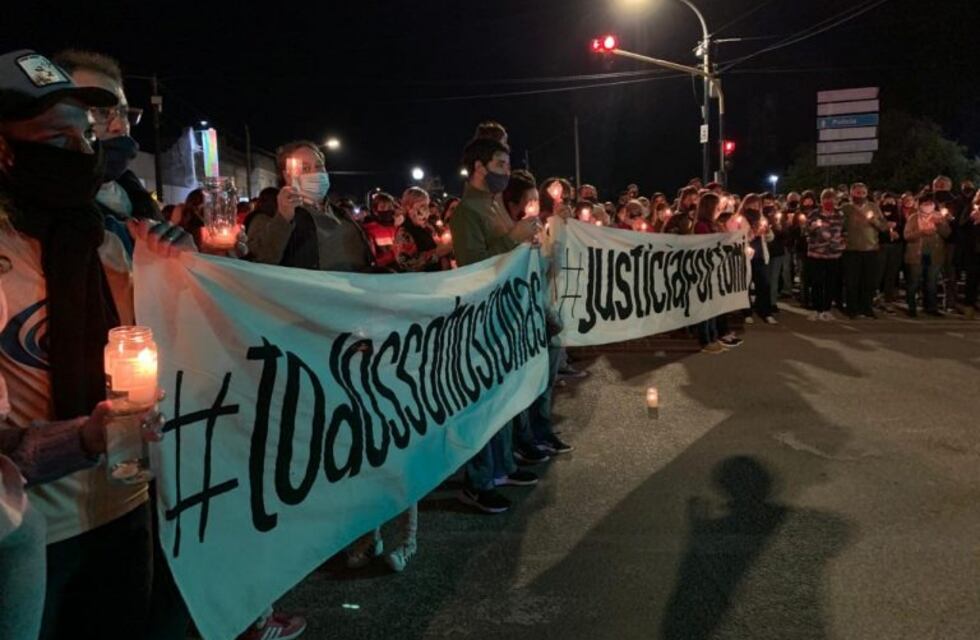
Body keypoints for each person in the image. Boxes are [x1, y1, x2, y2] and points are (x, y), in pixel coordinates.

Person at [0, 48, 195, 640]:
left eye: (86, 136)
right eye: (57, 141)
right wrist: (82, 438)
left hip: (128, 511)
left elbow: (191, 351)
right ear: (6, 152)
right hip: (28, 534)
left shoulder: (119, 244)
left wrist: (191, 274)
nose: (83, 153)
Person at [448, 136, 539, 514]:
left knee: (503, 397)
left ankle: (502, 467)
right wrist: (515, 238)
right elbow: (474, 265)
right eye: (500, 164)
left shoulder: (493, 205)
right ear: (479, 167)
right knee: (484, 402)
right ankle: (478, 481)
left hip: (505, 313)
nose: (507, 171)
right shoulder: (465, 213)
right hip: (482, 319)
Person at [51, 50, 161, 244]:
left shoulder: (135, 195)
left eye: (123, 113)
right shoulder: (33, 209)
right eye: (101, 112)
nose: (120, 126)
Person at [247, 140, 374, 272]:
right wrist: (283, 217)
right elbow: (258, 262)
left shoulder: (341, 214)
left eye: (319, 166)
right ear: (287, 176)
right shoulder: (269, 215)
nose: (316, 173)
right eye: (305, 168)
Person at [692, 194, 742, 353]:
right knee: (706, 306)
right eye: (717, 206)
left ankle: (713, 336)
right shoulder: (701, 225)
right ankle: (705, 339)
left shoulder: (715, 224)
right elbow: (707, 245)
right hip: (706, 269)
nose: (720, 209)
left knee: (714, 306)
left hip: (717, 268)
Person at [841, 182, 888, 318]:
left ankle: (866, 307)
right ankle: (852, 308)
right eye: (857, 193)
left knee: (868, 281)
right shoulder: (846, 208)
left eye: (863, 193)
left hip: (870, 249)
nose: (860, 195)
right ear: (851, 193)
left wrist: (874, 221)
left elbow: (883, 226)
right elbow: (840, 226)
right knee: (852, 281)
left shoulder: (873, 207)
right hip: (851, 249)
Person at [904, 193, 952, 317]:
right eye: (925, 204)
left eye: (930, 203)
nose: (928, 206)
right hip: (917, 254)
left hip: (934, 254)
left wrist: (940, 224)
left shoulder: (939, 217)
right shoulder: (913, 217)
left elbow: (947, 234)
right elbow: (907, 235)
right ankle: (911, 306)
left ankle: (931, 307)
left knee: (931, 281)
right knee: (914, 281)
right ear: (920, 205)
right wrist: (921, 232)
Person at [806, 189, 847, 321]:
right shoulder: (814, 214)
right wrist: (812, 228)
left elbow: (845, 231)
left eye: (832, 199)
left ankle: (826, 309)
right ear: (821, 200)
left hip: (833, 254)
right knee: (816, 282)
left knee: (831, 283)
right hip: (816, 254)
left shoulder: (840, 214)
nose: (829, 201)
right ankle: (816, 309)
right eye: (826, 199)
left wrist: (842, 243)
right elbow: (805, 231)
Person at [392, 186, 452, 272]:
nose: (426, 210)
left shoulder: (428, 227)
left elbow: (439, 244)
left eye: (427, 205)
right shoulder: (404, 232)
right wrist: (437, 253)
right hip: (421, 279)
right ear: (409, 207)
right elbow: (406, 263)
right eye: (422, 206)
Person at [737, 195, 777, 324]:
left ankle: (765, 312)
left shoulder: (762, 218)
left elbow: (770, 238)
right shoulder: (740, 219)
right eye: (752, 204)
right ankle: (746, 312)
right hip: (745, 257)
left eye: (757, 205)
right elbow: (739, 238)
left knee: (764, 284)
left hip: (760, 256)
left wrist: (767, 231)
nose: (754, 207)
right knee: (745, 285)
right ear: (745, 205)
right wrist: (754, 233)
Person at [876, 192, 905, 310]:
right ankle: (876, 296)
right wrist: (884, 228)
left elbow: (904, 228)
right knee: (879, 272)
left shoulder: (899, 214)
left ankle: (888, 298)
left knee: (891, 273)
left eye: (892, 201)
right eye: (886, 201)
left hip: (896, 247)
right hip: (881, 245)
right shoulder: (878, 214)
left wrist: (899, 234)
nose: (889, 203)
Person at [360, 191, 399, 269]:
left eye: (390, 207)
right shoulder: (369, 229)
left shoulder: (398, 227)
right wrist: (395, 254)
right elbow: (372, 260)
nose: (387, 210)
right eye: (383, 207)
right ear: (375, 211)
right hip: (383, 272)